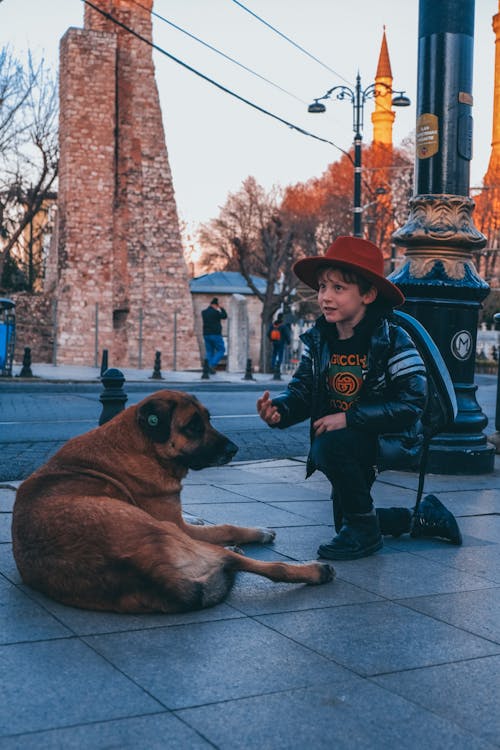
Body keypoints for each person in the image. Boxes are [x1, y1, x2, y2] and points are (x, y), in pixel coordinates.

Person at [257, 236, 462, 561]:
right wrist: (279, 410)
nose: (325, 297)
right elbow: (302, 391)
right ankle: (423, 516)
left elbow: (412, 405)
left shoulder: (393, 340)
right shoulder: (321, 340)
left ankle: (366, 533)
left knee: (331, 449)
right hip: (349, 439)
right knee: (349, 521)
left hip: (391, 436)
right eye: (323, 287)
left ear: (367, 294)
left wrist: (349, 418)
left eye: (338, 288)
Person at [202, 297, 227, 374]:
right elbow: (224, 316)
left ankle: (207, 367)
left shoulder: (204, 312)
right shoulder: (216, 313)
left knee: (209, 351)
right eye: (217, 306)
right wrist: (222, 308)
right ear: (215, 305)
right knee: (221, 350)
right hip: (216, 334)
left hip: (206, 334)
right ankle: (211, 365)